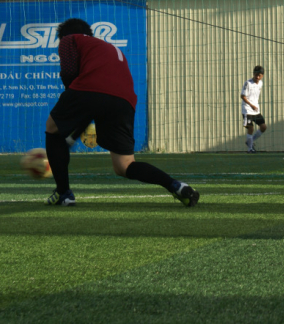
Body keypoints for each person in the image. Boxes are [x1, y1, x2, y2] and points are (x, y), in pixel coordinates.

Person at [43, 18, 200, 207]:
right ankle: (175, 185)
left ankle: (63, 193)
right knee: (124, 166)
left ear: (65, 36)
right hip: (124, 101)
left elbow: (70, 74)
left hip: (90, 89)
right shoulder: (109, 48)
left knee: (52, 128)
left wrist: (72, 121)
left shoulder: (70, 39)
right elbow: (103, 94)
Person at [241, 65, 266, 153]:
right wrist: (251, 105)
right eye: (256, 74)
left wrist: (254, 106)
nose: (257, 77)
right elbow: (243, 96)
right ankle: (250, 149)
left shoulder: (260, 83)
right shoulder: (248, 83)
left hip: (255, 110)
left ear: (262, 75)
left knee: (263, 127)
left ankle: (250, 142)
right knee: (250, 128)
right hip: (247, 109)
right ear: (253, 74)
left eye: (259, 75)